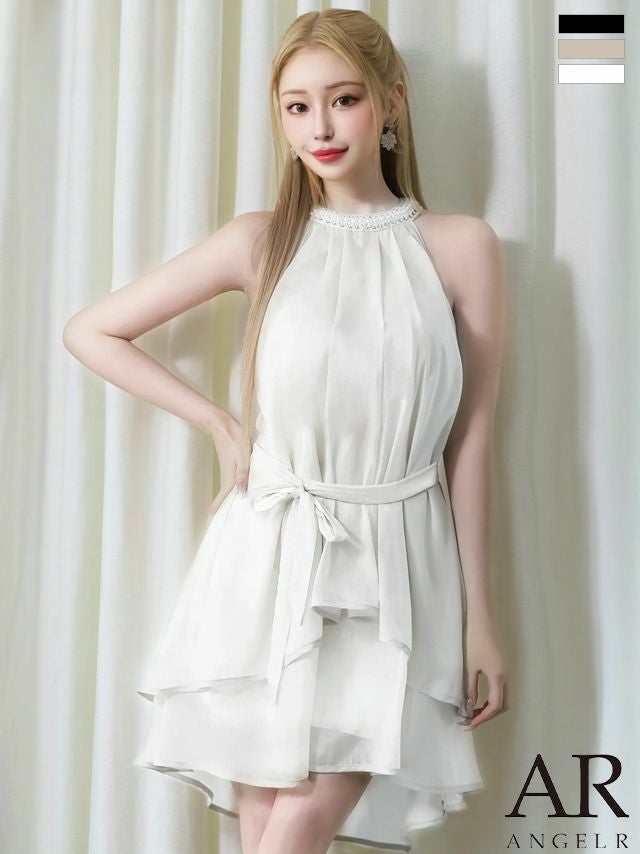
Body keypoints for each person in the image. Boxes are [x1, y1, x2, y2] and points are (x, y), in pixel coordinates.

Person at [63, 9, 509, 854]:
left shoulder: (461, 247)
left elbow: (474, 437)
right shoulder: (261, 242)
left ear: (391, 102)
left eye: (343, 99)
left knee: (293, 827)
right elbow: (92, 330)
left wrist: (478, 616)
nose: (321, 128)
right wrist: (217, 422)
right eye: (298, 107)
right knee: (271, 826)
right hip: (265, 552)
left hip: (397, 566)